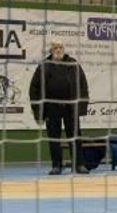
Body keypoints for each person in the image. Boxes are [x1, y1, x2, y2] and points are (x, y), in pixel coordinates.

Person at [29, 41, 90, 175]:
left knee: (75, 136)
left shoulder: (73, 64)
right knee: (54, 137)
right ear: (51, 50)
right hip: (52, 107)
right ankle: (57, 165)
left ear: (64, 49)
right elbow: (34, 88)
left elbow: (83, 85)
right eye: (55, 47)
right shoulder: (44, 66)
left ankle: (79, 164)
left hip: (71, 106)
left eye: (60, 47)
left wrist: (82, 105)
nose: (58, 50)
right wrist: (37, 110)